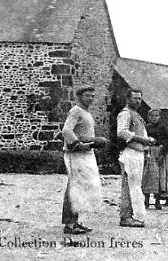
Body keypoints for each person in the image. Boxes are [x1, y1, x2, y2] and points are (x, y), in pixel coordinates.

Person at [61, 86, 107, 234]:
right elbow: (66, 130)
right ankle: (69, 224)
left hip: (85, 153)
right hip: (75, 153)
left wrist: (93, 141)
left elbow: (83, 134)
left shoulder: (86, 113)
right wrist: (78, 144)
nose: (91, 98)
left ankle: (74, 221)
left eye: (92, 96)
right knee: (74, 187)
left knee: (80, 188)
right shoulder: (76, 111)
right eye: (87, 96)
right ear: (79, 97)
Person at [116, 88, 157, 228]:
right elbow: (121, 132)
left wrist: (146, 141)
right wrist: (142, 140)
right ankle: (126, 216)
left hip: (138, 153)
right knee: (130, 185)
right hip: (131, 153)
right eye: (135, 98)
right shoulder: (125, 114)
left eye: (140, 98)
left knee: (135, 185)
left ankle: (134, 215)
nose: (138, 101)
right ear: (128, 99)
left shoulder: (136, 114)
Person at [143, 109, 168, 210]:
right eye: (152, 116)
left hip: (159, 152)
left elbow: (167, 141)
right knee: (147, 176)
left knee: (158, 176)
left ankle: (157, 201)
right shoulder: (146, 128)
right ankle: (146, 200)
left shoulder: (163, 128)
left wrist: (162, 153)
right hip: (148, 152)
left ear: (160, 117)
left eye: (156, 116)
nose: (154, 118)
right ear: (149, 117)